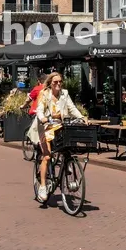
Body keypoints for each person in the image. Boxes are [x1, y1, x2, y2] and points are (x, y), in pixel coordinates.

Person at [34, 71, 85, 204]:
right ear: (50, 83)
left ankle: (66, 163)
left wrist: (81, 117)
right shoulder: (45, 94)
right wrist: (43, 118)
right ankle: (43, 187)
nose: (58, 84)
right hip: (46, 127)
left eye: (60, 82)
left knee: (66, 148)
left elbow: (72, 108)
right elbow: (39, 109)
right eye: (55, 82)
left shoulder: (65, 94)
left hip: (60, 126)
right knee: (47, 156)